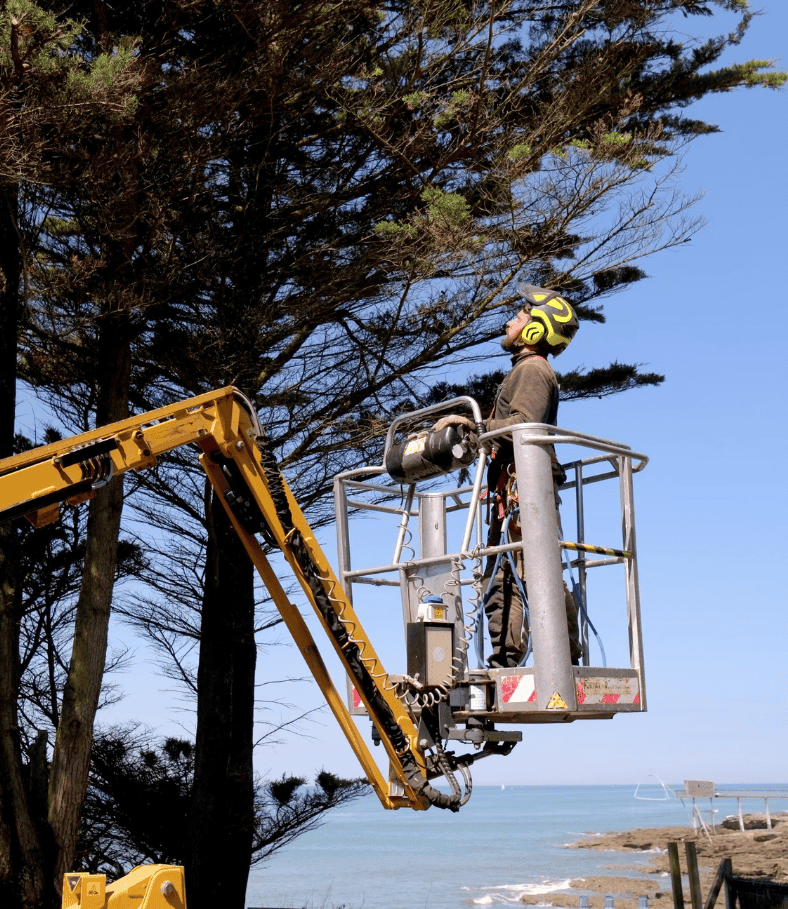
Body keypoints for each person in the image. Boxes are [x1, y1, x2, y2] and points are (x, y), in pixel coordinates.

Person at [435, 284, 582, 668]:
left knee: (535, 572)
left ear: (537, 328)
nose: (508, 322)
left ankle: (563, 652)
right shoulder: (525, 370)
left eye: (518, 317)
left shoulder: (532, 370)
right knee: (504, 575)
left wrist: (474, 426)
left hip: (527, 490)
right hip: (514, 491)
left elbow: (523, 424)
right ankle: (506, 659)